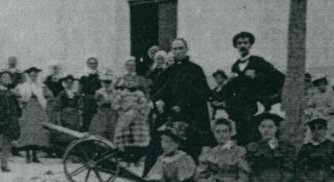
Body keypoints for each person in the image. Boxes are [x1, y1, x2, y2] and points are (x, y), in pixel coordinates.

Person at [149, 38, 213, 166]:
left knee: (191, 144)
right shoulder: (169, 70)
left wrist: (182, 105)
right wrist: (158, 100)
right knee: (158, 138)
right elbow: (157, 90)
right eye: (175, 49)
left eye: (180, 48)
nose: (178, 51)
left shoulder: (195, 69)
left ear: (186, 49)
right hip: (171, 112)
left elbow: (203, 92)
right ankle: (155, 173)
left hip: (192, 113)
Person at [224, 31, 284, 146]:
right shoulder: (235, 66)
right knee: (243, 139)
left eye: (245, 43)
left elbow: (278, 77)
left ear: (250, 45)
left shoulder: (258, 61)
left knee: (258, 137)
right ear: (236, 46)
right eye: (239, 43)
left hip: (257, 108)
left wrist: (257, 75)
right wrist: (230, 81)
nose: (242, 46)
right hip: (241, 110)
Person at [0, 70, 22, 173]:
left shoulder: (12, 94)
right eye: (4, 77)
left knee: (7, 144)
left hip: (10, 122)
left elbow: (17, 109)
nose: (7, 79)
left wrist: (16, 117)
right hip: (0, 121)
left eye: (9, 77)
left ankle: (4, 164)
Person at [16, 66, 50, 163]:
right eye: (32, 75)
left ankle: (34, 156)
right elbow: (19, 96)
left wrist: (45, 96)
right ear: (28, 76)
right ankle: (27, 155)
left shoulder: (41, 86)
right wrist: (22, 100)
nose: (33, 77)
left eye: (35, 75)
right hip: (28, 109)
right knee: (28, 131)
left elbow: (47, 95)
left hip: (38, 108)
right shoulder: (24, 86)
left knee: (37, 132)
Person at [113, 88, 151, 164]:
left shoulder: (139, 93)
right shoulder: (122, 93)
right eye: (128, 81)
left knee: (136, 138)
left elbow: (144, 104)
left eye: (132, 82)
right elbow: (114, 104)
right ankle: (126, 156)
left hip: (137, 118)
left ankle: (136, 157)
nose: (130, 84)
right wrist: (122, 107)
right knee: (126, 137)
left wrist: (137, 106)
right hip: (125, 117)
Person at [48, 74, 82, 155]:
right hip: (64, 115)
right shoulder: (62, 93)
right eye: (67, 83)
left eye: (71, 83)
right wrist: (59, 118)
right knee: (64, 133)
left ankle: (72, 153)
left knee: (74, 132)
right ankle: (63, 153)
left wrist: (80, 119)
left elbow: (80, 106)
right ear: (65, 83)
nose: (69, 84)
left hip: (74, 116)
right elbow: (57, 106)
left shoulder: (76, 94)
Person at [91, 69, 119, 140]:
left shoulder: (115, 92)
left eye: (108, 82)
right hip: (101, 114)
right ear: (101, 82)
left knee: (112, 130)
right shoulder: (98, 92)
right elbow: (96, 103)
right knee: (100, 131)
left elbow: (116, 103)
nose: (106, 84)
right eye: (104, 82)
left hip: (112, 113)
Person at [78, 57, 102, 132]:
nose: (93, 65)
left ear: (97, 65)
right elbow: (79, 91)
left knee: (97, 118)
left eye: (95, 63)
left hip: (97, 100)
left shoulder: (99, 77)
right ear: (87, 64)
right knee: (86, 118)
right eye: (91, 63)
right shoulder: (84, 77)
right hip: (87, 100)